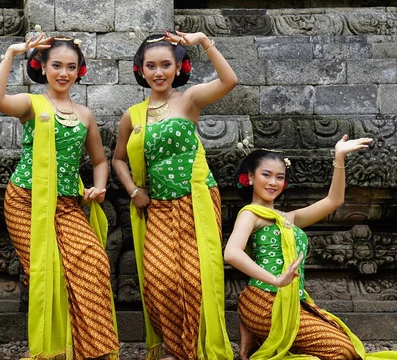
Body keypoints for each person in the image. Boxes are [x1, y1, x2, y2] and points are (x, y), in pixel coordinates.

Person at [0, 32, 119, 359]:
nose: (63, 73)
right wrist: (11, 53)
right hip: (25, 199)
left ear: (79, 72)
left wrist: (98, 186)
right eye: (56, 65)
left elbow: (100, 161)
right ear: (42, 67)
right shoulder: (32, 104)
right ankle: (53, 349)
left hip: (68, 203)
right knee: (45, 272)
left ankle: (92, 349)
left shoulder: (85, 115)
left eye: (71, 67)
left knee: (93, 263)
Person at [112, 30, 237, 360]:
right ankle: (176, 347)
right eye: (151, 66)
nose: (158, 72)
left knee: (197, 278)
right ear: (141, 70)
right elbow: (118, 159)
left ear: (178, 67)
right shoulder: (132, 115)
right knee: (158, 279)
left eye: (166, 64)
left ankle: (192, 351)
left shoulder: (189, 100)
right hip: (158, 209)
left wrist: (204, 42)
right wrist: (133, 190)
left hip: (194, 199)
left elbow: (229, 81)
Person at [224, 135, 397, 359]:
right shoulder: (251, 214)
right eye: (265, 175)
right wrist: (276, 279)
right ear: (250, 177)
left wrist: (339, 158)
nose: (273, 183)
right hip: (264, 299)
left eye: (279, 177)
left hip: (295, 300)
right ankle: (252, 328)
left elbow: (333, 201)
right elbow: (231, 252)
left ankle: (256, 338)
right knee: (341, 352)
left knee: (350, 349)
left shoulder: (288, 217)